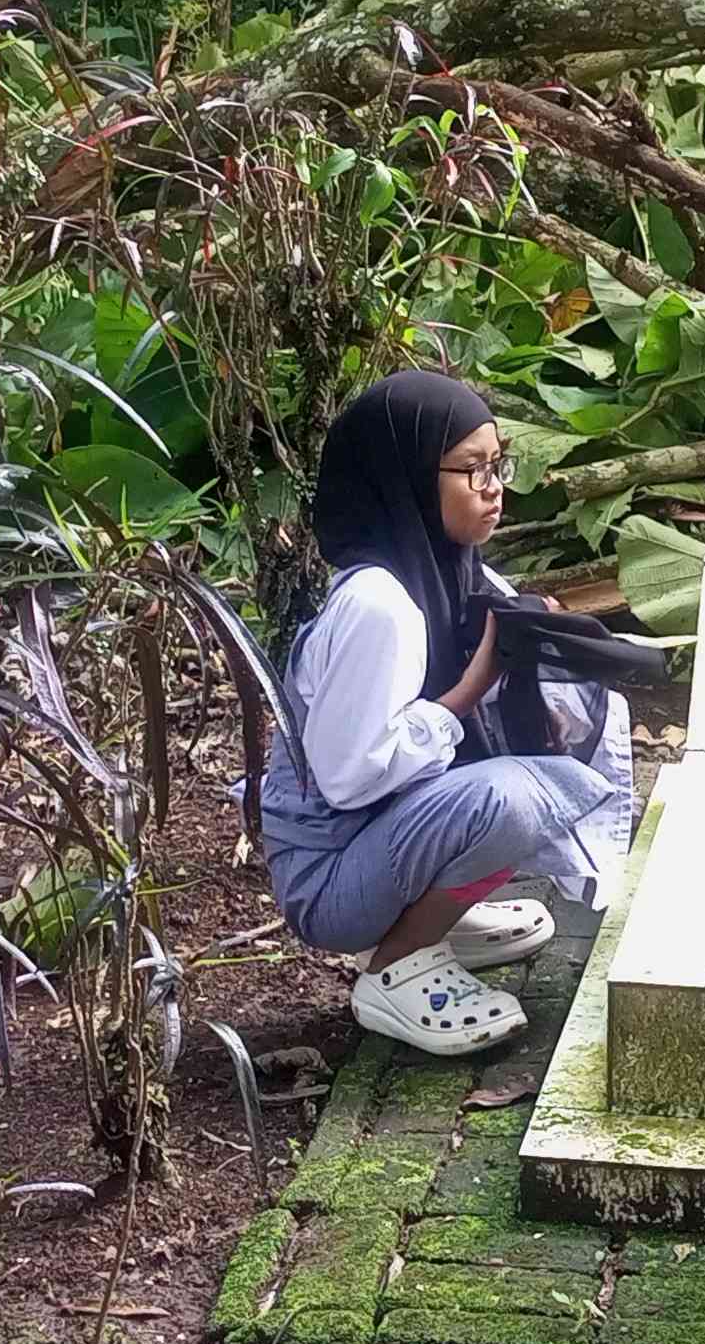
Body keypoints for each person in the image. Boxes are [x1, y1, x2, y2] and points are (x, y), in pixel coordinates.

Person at [259, 372, 635, 1056]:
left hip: (378, 841)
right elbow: (347, 779)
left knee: (535, 778)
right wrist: (468, 692)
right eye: (471, 471)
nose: (495, 488)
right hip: (329, 878)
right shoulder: (380, 605)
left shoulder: (453, 570)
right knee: (516, 800)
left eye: (498, 465)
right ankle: (396, 964)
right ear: (405, 477)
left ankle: (438, 917)